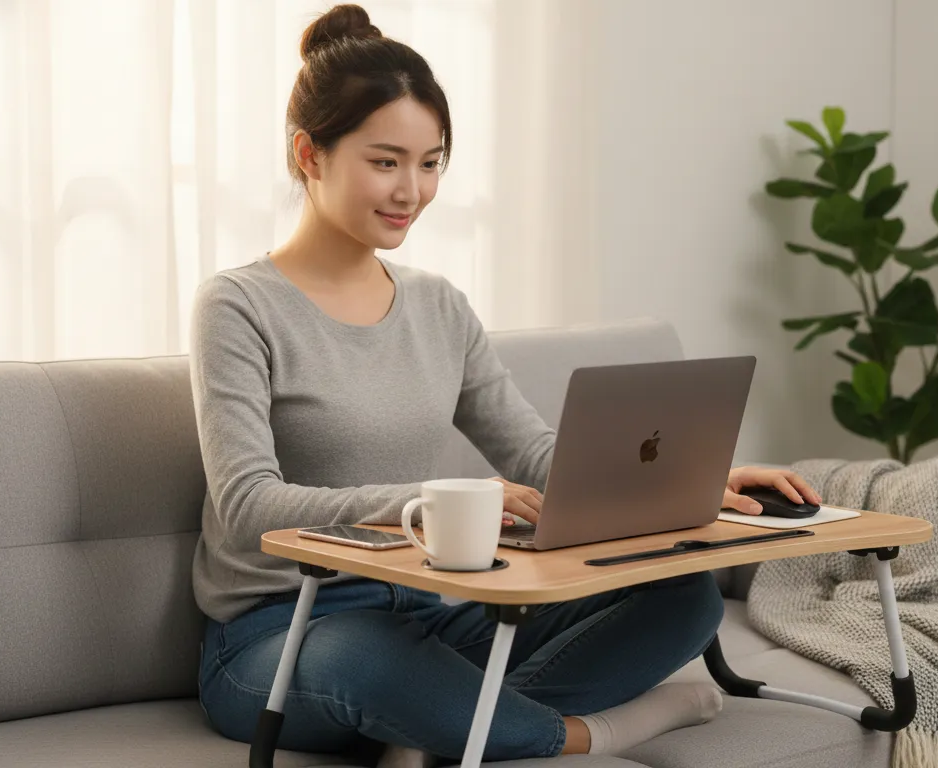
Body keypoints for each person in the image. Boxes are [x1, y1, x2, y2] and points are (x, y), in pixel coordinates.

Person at [189, 5, 821, 766]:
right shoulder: (238, 305)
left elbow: (534, 453)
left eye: (432, 163)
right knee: (366, 658)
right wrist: (422, 504)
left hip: (436, 615)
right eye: (385, 161)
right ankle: (595, 731)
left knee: (684, 600)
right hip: (283, 632)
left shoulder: (438, 304)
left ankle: (433, 722)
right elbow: (248, 503)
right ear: (310, 154)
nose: (412, 191)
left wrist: (698, 480)